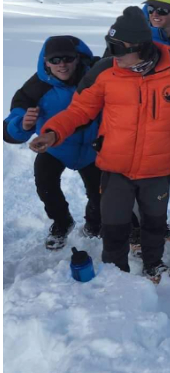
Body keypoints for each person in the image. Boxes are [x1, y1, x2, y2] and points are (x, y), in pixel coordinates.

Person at [28, 7, 170, 282]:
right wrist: (52, 132)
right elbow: (79, 111)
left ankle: (153, 265)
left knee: (154, 225)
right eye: (111, 49)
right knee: (114, 227)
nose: (114, 57)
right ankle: (115, 273)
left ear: (141, 48)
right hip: (115, 167)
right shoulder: (105, 71)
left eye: (120, 51)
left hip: (158, 167)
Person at [4, 36, 102, 248]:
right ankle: (62, 222)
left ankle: (94, 224)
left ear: (77, 59)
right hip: (54, 146)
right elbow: (10, 128)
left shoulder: (96, 77)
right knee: (46, 186)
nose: (62, 65)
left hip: (92, 149)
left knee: (99, 193)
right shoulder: (36, 86)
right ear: (46, 62)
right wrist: (23, 125)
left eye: (67, 58)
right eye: (55, 60)